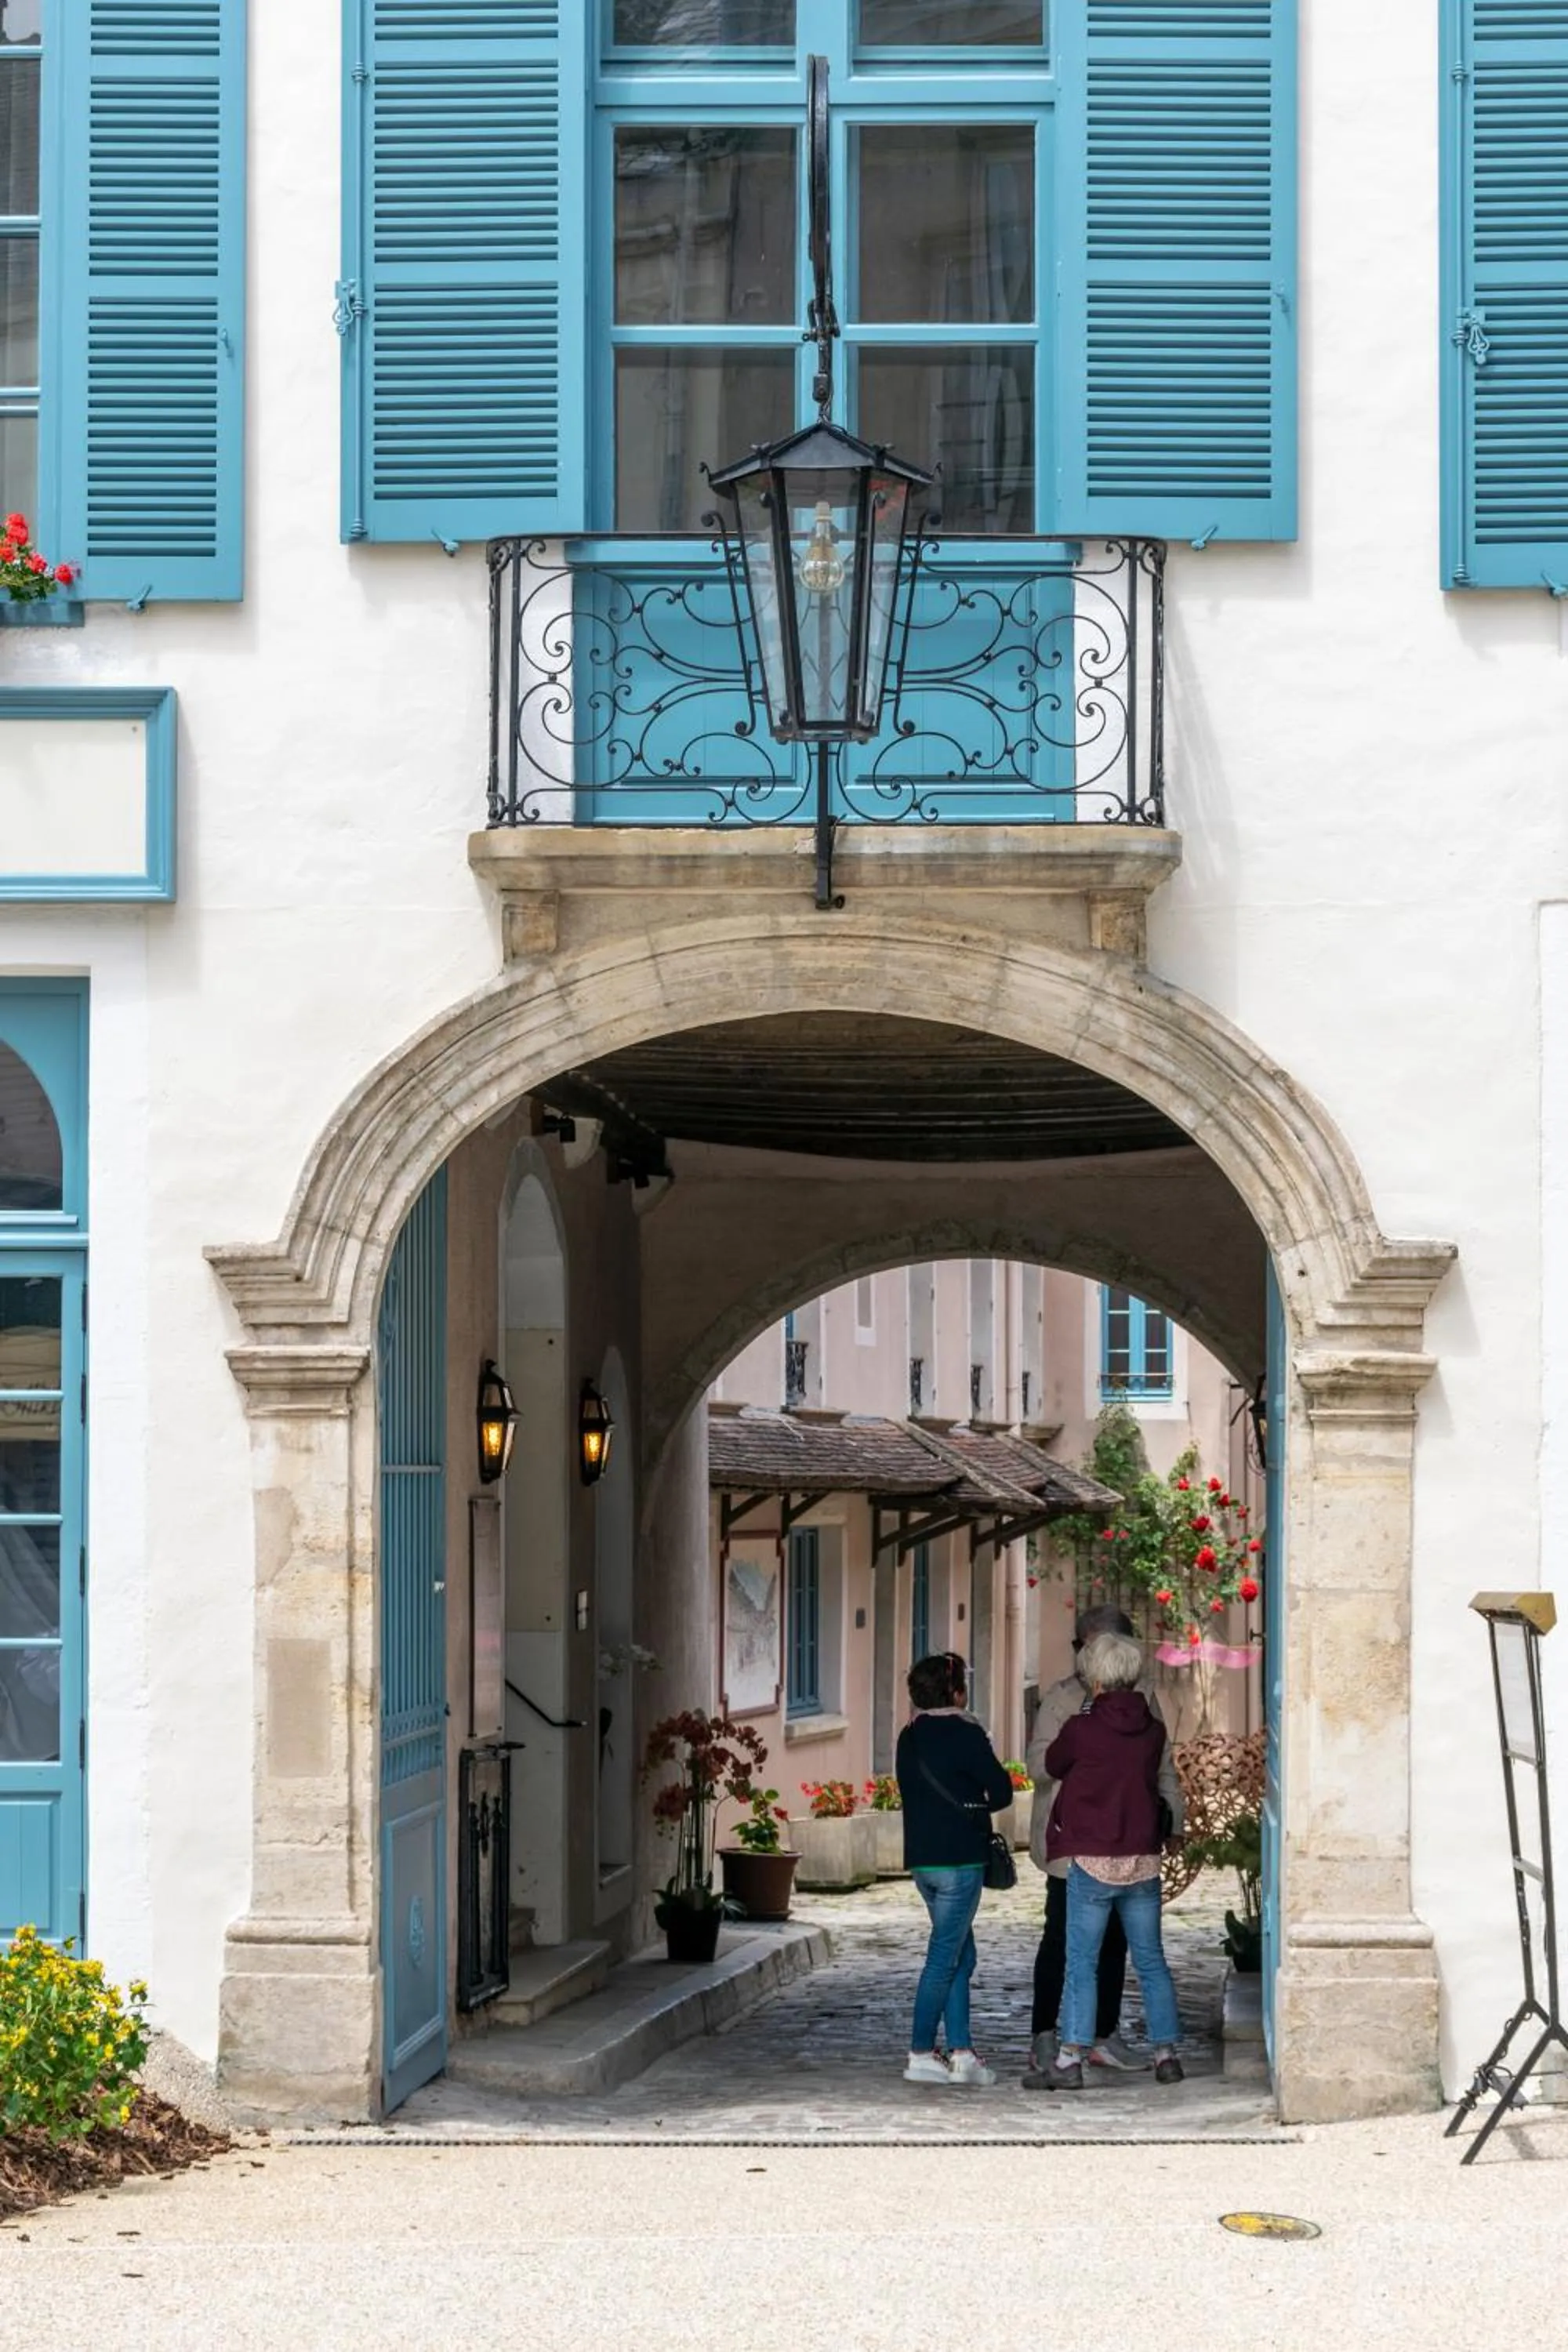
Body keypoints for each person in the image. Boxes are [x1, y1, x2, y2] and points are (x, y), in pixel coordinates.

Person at [1022, 1603, 1184, 2085]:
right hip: (1137, 1855)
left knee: (1084, 1959)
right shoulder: (1147, 1725)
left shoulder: (1081, 1726)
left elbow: (1049, 1764)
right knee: (1147, 1957)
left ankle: (1074, 2054)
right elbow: (1156, 1768)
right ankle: (1166, 2054)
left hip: (1090, 1852)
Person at [895, 1650, 1015, 2087]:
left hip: (923, 1860)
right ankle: (922, 2051)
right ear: (957, 1691)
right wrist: (975, 1805)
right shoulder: (967, 1733)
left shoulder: (909, 1736)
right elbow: (1002, 1792)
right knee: (945, 1957)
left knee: (962, 1954)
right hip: (960, 1859)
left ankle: (963, 2053)